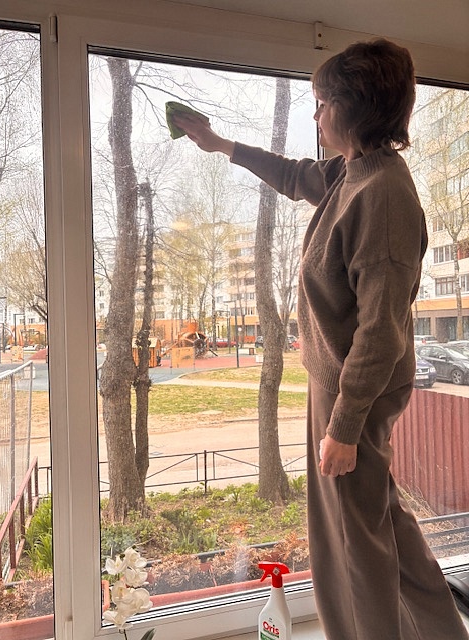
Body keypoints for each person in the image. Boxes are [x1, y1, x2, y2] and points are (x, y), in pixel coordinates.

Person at [173, 39, 469, 640]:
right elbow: (294, 175)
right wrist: (222, 145)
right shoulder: (352, 172)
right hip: (337, 383)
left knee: (353, 542)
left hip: (355, 392)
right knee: (377, 522)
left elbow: (380, 332)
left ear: (355, 105)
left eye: (323, 102)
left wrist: (344, 427)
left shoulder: (383, 196)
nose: (315, 115)